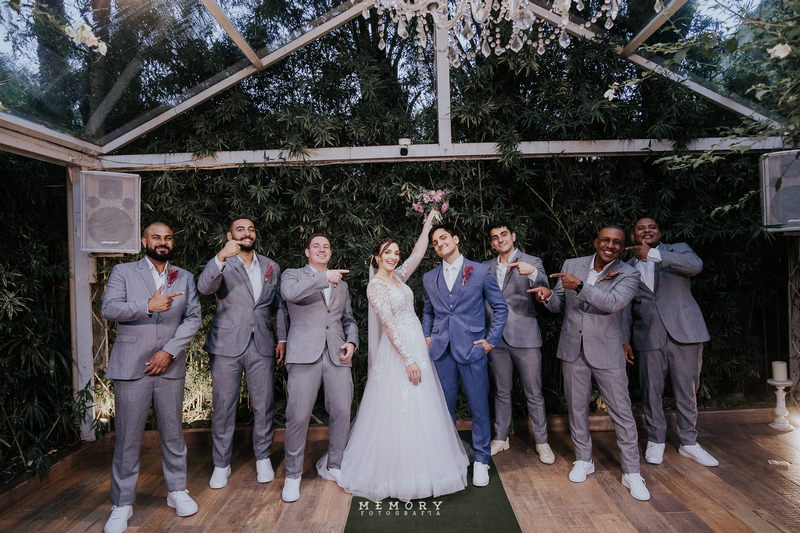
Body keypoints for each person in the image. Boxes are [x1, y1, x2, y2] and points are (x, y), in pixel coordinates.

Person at [316, 211, 469, 501]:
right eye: (388, 252)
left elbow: (417, 254)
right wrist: (408, 359)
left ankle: (427, 465)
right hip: (399, 351)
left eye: (396, 253)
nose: (394, 257)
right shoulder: (376, 286)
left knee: (424, 404)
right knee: (400, 406)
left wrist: (428, 225)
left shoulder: (398, 277)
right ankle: (398, 472)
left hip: (416, 345)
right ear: (377, 256)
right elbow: (388, 324)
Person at [529, 226, 650, 501]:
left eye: (617, 242)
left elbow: (613, 302)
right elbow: (559, 303)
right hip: (573, 348)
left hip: (607, 350)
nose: (611, 245)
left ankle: (632, 472)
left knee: (622, 412)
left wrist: (581, 286)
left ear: (622, 247)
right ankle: (584, 459)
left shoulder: (629, 273)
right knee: (576, 408)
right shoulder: (572, 265)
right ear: (596, 242)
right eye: (606, 240)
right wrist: (548, 296)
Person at [100, 222, 201, 533]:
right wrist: (147, 305)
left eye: (168, 238)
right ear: (144, 240)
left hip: (169, 365)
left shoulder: (184, 276)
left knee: (173, 434)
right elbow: (109, 308)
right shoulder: (123, 272)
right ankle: (122, 503)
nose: (162, 242)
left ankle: (177, 490)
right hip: (132, 366)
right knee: (128, 437)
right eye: (156, 237)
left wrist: (169, 351)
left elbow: (193, 317)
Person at [197, 218, 288, 489]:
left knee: (264, 403)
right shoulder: (223, 262)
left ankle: (263, 457)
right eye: (240, 229)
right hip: (226, 345)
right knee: (224, 405)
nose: (247, 233)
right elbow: (204, 288)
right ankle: (221, 464)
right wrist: (220, 257)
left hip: (262, 344)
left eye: (250, 229)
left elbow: (278, 306)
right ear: (230, 235)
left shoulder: (271, 266)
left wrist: (282, 337)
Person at [623, 217, 718, 467]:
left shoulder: (677, 250)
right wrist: (624, 340)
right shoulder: (626, 268)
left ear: (659, 232)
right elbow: (625, 308)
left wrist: (653, 255)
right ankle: (656, 440)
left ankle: (689, 442)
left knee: (686, 391)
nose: (647, 230)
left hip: (685, 333)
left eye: (652, 227)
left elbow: (696, 266)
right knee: (650, 391)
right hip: (648, 336)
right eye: (641, 228)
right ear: (633, 236)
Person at [422, 224, 508, 487]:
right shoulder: (429, 277)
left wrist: (490, 342)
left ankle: (481, 460)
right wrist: (427, 335)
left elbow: (500, 307)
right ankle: (448, 458)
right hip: (441, 352)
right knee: (443, 409)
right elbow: (428, 311)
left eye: (444, 238)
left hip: (473, 349)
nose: (440, 244)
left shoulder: (479, 271)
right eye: (435, 242)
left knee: (479, 408)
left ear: (456, 239)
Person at [280, 233, 358, 502]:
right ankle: (292, 476)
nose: (322, 249)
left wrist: (352, 342)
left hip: (337, 355)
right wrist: (324, 277)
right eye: (316, 246)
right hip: (304, 355)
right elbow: (289, 294)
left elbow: (349, 319)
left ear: (331, 252)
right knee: (298, 415)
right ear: (307, 252)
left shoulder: (342, 285)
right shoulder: (292, 275)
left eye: (326, 246)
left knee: (342, 411)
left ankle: (335, 465)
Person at [484, 221, 555, 464]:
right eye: (495, 237)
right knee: (501, 391)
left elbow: (546, 288)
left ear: (513, 236)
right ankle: (501, 437)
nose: (500, 239)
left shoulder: (531, 261)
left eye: (504, 234)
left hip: (525, 337)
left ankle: (542, 441)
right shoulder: (485, 267)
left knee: (533, 393)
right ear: (492, 243)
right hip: (496, 339)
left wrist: (533, 273)